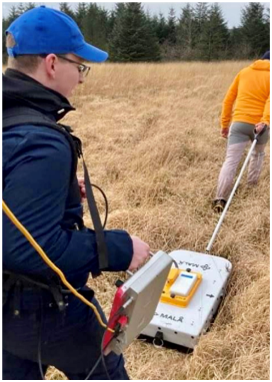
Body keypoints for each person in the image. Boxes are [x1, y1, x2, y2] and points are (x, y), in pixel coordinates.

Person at [3, 6, 150, 380]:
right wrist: (119, 248)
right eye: (79, 66)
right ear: (52, 64)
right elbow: (27, 248)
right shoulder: (42, 142)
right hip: (45, 309)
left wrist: (59, 192)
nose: (82, 79)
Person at [213, 51, 270, 212]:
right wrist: (265, 121)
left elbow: (228, 99)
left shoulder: (244, 72)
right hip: (260, 126)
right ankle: (251, 188)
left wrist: (224, 124)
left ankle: (220, 197)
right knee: (257, 155)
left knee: (231, 161)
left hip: (238, 124)